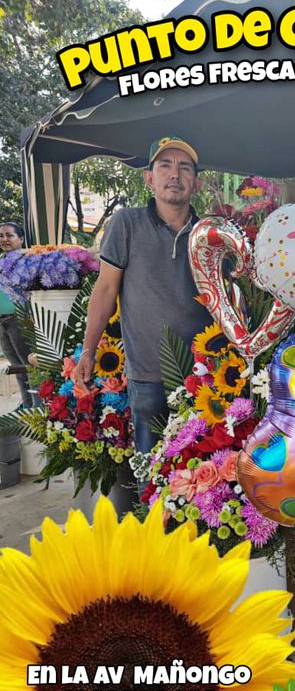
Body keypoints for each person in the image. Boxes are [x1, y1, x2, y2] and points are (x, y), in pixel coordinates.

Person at [74, 137, 212, 457]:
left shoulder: (210, 232)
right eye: (165, 165)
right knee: (151, 471)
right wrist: (88, 351)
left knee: (205, 477)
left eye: (184, 167)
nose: (174, 174)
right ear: (149, 178)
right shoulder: (127, 223)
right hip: (147, 376)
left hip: (206, 375)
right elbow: (106, 288)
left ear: (197, 182)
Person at [0, 222, 35, 408]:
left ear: (20, 239)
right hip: (2, 322)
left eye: (9, 235)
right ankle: (28, 406)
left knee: (30, 366)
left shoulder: (27, 259)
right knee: (17, 368)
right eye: (1, 236)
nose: (4, 239)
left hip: (20, 320)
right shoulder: (1, 261)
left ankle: (38, 406)